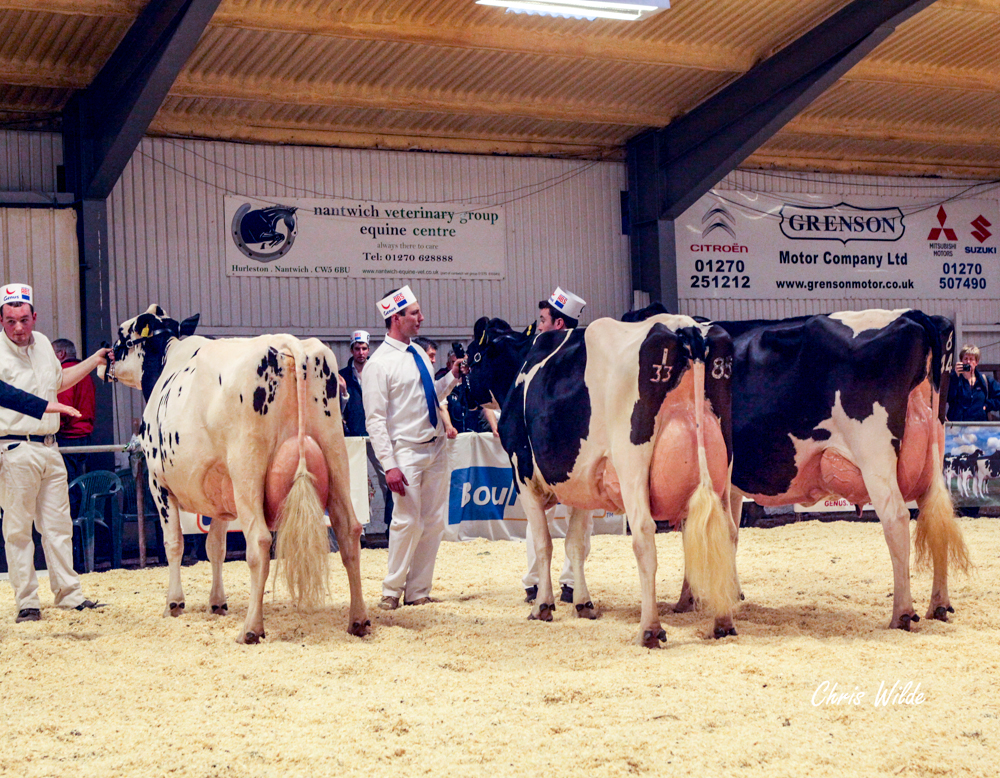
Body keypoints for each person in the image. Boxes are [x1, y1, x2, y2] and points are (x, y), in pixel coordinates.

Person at [0, 283, 109, 623]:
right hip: (14, 446)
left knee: (59, 525)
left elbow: (58, 381)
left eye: (23, 319)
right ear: (1, 320)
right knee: (18, 529)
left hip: (50, 447)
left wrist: (94, 359)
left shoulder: (45, 343)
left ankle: (69, 594)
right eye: (9, 321)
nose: (18, 328)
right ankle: (27, 602)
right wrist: (46, 405)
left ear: (34, 317)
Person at [362, 286, 465, 610]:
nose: (421, 318)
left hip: (434, 448)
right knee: (407, 521)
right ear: (395, 318)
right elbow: (375, 421)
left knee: (433, 522)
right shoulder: (378, 364)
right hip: (404, 450)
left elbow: (430, 395)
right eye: (414, 313)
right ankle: (391, 591)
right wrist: (389, 464)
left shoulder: (418, 353)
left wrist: (450, 377)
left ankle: (418, 590)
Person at [523, 286, 593, 604]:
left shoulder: (581, 358)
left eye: (542, 319)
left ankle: (568, 581)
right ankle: (537, 580)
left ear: (559, 325)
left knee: (580, 515)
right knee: (541, 515)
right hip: (544, 452)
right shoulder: (536, 355)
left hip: (574, 452)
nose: (538, 326)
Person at [52, 338, 95, 485]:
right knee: (79, 482)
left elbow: (63, 409)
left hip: (68, 438)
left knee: (67, 485)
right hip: (85, 436)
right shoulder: (85, 375)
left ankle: (74, 509)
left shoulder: (66, 374)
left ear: (61, 354)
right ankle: (82, 508)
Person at [947, 344, 1000, 422]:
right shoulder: (954, 379)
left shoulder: (985, 381)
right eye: (965, 359)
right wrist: (955, 377)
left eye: (971, 359)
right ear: (961, 361)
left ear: (976, 362)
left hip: (979, 429)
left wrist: (987, 405)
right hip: (957, 428)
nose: (968, 362)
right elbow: (948, 398)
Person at [339, 330, 371, 437]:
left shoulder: (377, 373)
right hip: (352, 435)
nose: (361, 353)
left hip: (375, 433)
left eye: (364, 348)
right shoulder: (343, 376)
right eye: (357, 349)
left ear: (368, 350)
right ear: (351, 351)